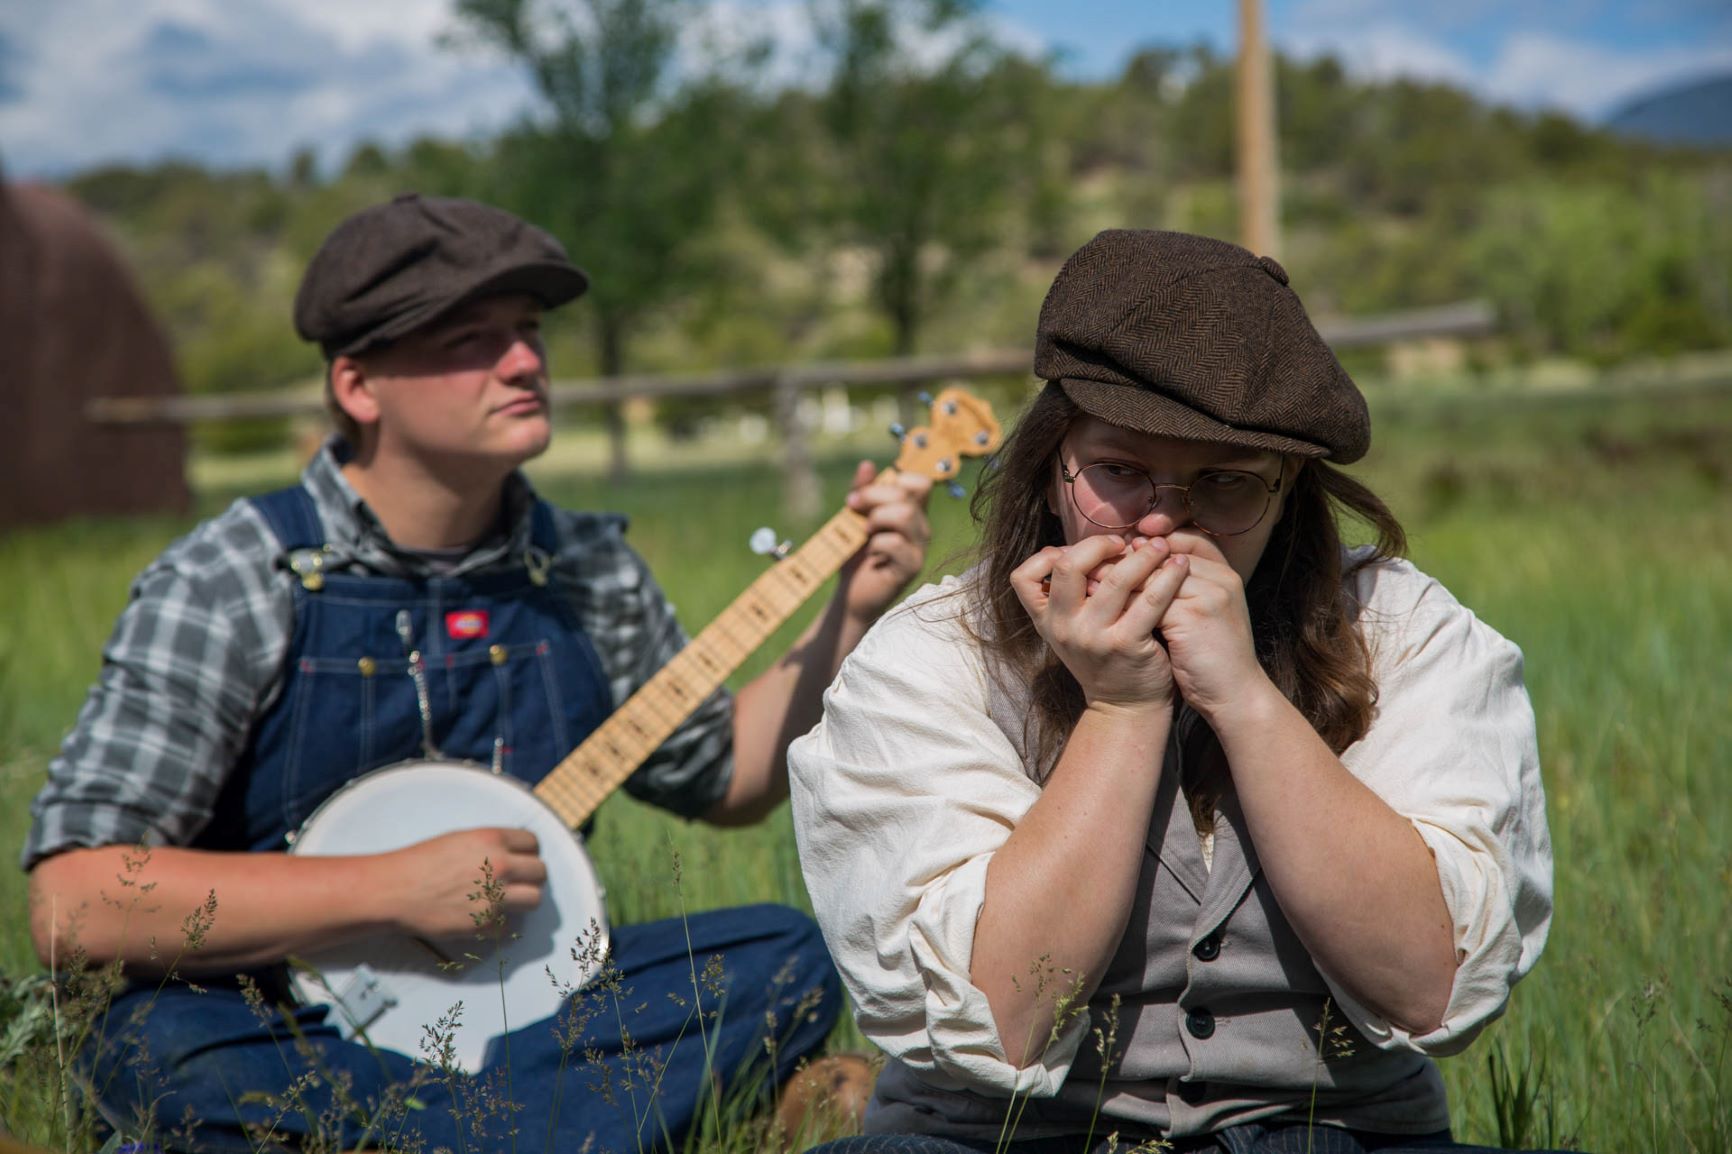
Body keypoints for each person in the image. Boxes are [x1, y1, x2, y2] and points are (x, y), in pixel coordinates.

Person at [23, 194, 932, 1153]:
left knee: (784, 957)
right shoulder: (238, 579)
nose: (526, 361)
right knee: (152, 1037)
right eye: (472, 338)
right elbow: (74, 902)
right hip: (280, 1020)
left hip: (520, 1012)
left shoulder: (583, 569)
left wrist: (853, 606)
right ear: (359, 385)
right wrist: (387, 890)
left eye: (530, 332)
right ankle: (576, 1125)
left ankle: (359, 1137)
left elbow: (728, 779)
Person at [788, 230, 1556, 1154]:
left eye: (1224, 484)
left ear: (1289, 490)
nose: (1159, 522)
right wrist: (1122, 709)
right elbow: (1004, 1020)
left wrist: (1244, 700)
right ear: (1052, 460)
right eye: (1118, 471)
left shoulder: (1405, 632)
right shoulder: (931, 657)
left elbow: (1432, 987)